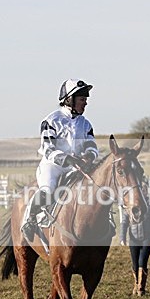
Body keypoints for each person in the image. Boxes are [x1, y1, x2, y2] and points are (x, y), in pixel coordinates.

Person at [21, 79, 98, 243]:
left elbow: (92, 146)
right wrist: (68, 159)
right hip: (53, 166)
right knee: (48, 190)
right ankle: (28, 220)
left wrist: (89, 156)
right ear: (70, 100)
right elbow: (48, 149)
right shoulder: (51, 120)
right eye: (82, 100)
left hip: (76, 167)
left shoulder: (85, 124)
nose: (85, 103)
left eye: (86, 100)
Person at [120, 184, 150, 296]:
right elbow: (124, 223)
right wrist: (122, 237)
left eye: (144, 191)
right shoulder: (130, 206)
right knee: (134, 263)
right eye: (140, 191)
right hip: (133, 238)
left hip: (146, 238)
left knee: (142, 262)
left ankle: (141, 288)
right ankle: (136, 284)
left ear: (147, 192)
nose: (142, 193)